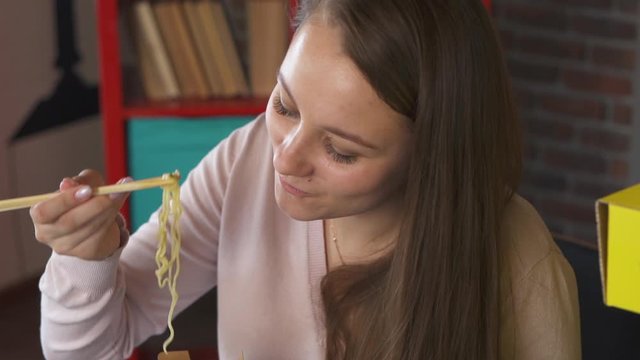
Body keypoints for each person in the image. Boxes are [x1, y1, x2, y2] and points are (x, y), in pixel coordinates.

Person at [32, 0, 581, 359]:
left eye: (341, 150)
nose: (285, 160)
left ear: (432, 155)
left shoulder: (518, 261)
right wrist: (88, 259)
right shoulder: (246, 160)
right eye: (285, 105)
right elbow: (90, 347)